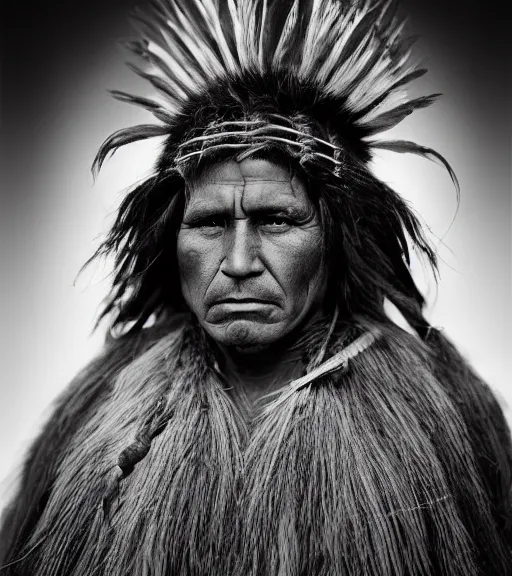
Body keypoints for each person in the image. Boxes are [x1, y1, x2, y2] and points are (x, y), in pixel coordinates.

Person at [1, 0, 511, 574]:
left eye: (278, 220)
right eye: (210, 223)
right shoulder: (97, 407)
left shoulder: (440, 412)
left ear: (338, 238)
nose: (239, 261)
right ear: (172, 239)